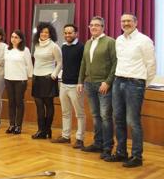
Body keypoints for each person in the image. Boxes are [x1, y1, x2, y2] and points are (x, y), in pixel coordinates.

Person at [108, 13, 156, 168]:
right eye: (123, 21)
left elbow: (151, 65)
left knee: (133, 121)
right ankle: (121, 152)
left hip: (135, 84)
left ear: (136, 22)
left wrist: (142, 83)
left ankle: (137, 156)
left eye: (129, 21)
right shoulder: (119, 40)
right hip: (118, 81)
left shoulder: (144, 40)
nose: (125, 23)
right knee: (118, 119)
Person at [78, 16, 116, 159]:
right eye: (91, 25)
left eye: (97, 25)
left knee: (105, 116)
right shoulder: (88, 43)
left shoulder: (110, 42)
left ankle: (107, 147)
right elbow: (83, 63)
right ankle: (98, 143)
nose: (93, 27)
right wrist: (80, 81)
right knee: (95, 116)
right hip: (89, 83)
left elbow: (115, 63)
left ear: (103, 27)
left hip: (103, 85)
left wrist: (108, 82)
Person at [51, 24, 85, 148]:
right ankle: (66, 136)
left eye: (70, 33)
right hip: (64, 84)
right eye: (65, 33)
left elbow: (83, 66)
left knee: (79, 114)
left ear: (76, 33)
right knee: (65, 112)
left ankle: (80, 139)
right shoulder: (64, 47)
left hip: (76, 85)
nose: (67, 35)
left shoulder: (81, 47)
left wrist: (81, 82)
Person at [31, 22, 62, 139]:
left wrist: (54, 74)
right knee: (39, 105)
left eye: (46, 32)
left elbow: (59, 62)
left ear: (50, 34)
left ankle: (47, 129)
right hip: (37, 77)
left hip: (48, 78)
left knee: (48, 104)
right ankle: (41, 130)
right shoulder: (37, 44)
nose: (44, 34)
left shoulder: (54, 46)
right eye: (42, 31)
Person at [4, 30, 33, 134]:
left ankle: (18, 126)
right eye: (12, 37)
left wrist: (30, 77)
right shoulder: (7, 49)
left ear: (21, 39)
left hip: (20, 80)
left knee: (19, 102)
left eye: (16, 37)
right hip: (8, 79)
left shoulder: (25, 50)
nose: (13, 39)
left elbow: (29, 65)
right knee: (11, 103)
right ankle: (11, 124)